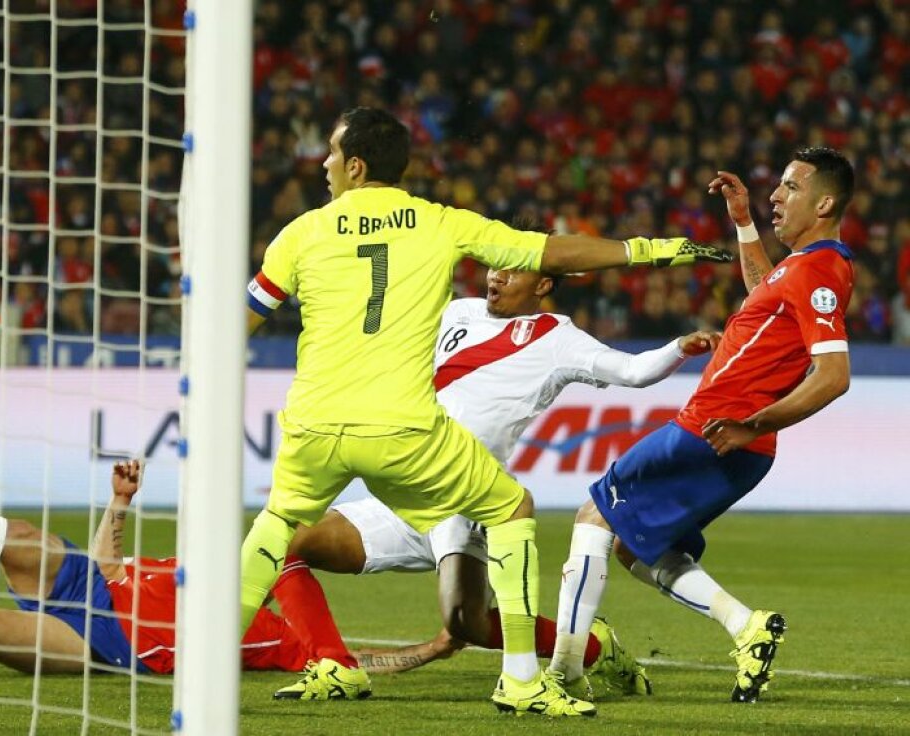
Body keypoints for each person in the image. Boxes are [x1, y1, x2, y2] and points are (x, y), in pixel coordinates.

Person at [241, 106, 732, 717]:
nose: (324, 162)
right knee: (498, 514)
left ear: (356, 165)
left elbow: (244, 317)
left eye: (333, 154)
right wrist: (653, 250)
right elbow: (546, 249)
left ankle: (210, 666)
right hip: (408, 450)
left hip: (358, 439)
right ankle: (468, 676)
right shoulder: (447, 249)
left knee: (300, 543)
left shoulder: (302, 232)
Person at [291, 263, 722, 698]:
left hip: (467, 497)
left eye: (512, 273)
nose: (496, 278)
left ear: (543, 284)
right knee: (290, 543)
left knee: (466, 622)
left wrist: (679, 348)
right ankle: (333, 665)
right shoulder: (458, 312)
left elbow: (633, 371)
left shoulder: (558, 337)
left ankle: (596, 648)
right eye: (495, 269)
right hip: (402, 490)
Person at [545, 147, 855, 704]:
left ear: (825, 201)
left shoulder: (821, 272)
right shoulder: (799, 268)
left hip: (714, 430)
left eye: (790, 187)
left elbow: (833, 375)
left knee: (595, 513)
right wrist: (742, 223)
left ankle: (563, 673)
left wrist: (748, 421)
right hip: (736, 440)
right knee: (635, 549)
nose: (775, 196)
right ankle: (745, 627)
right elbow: (766, 292)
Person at [0, 461, 367, 697]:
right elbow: (109, 561)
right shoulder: (197, 569)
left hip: (109, 644)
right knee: (21, 537)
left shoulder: (272, 634)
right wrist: (119, 502)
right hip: (95, 585)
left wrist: (436, 646)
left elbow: (359, 660)